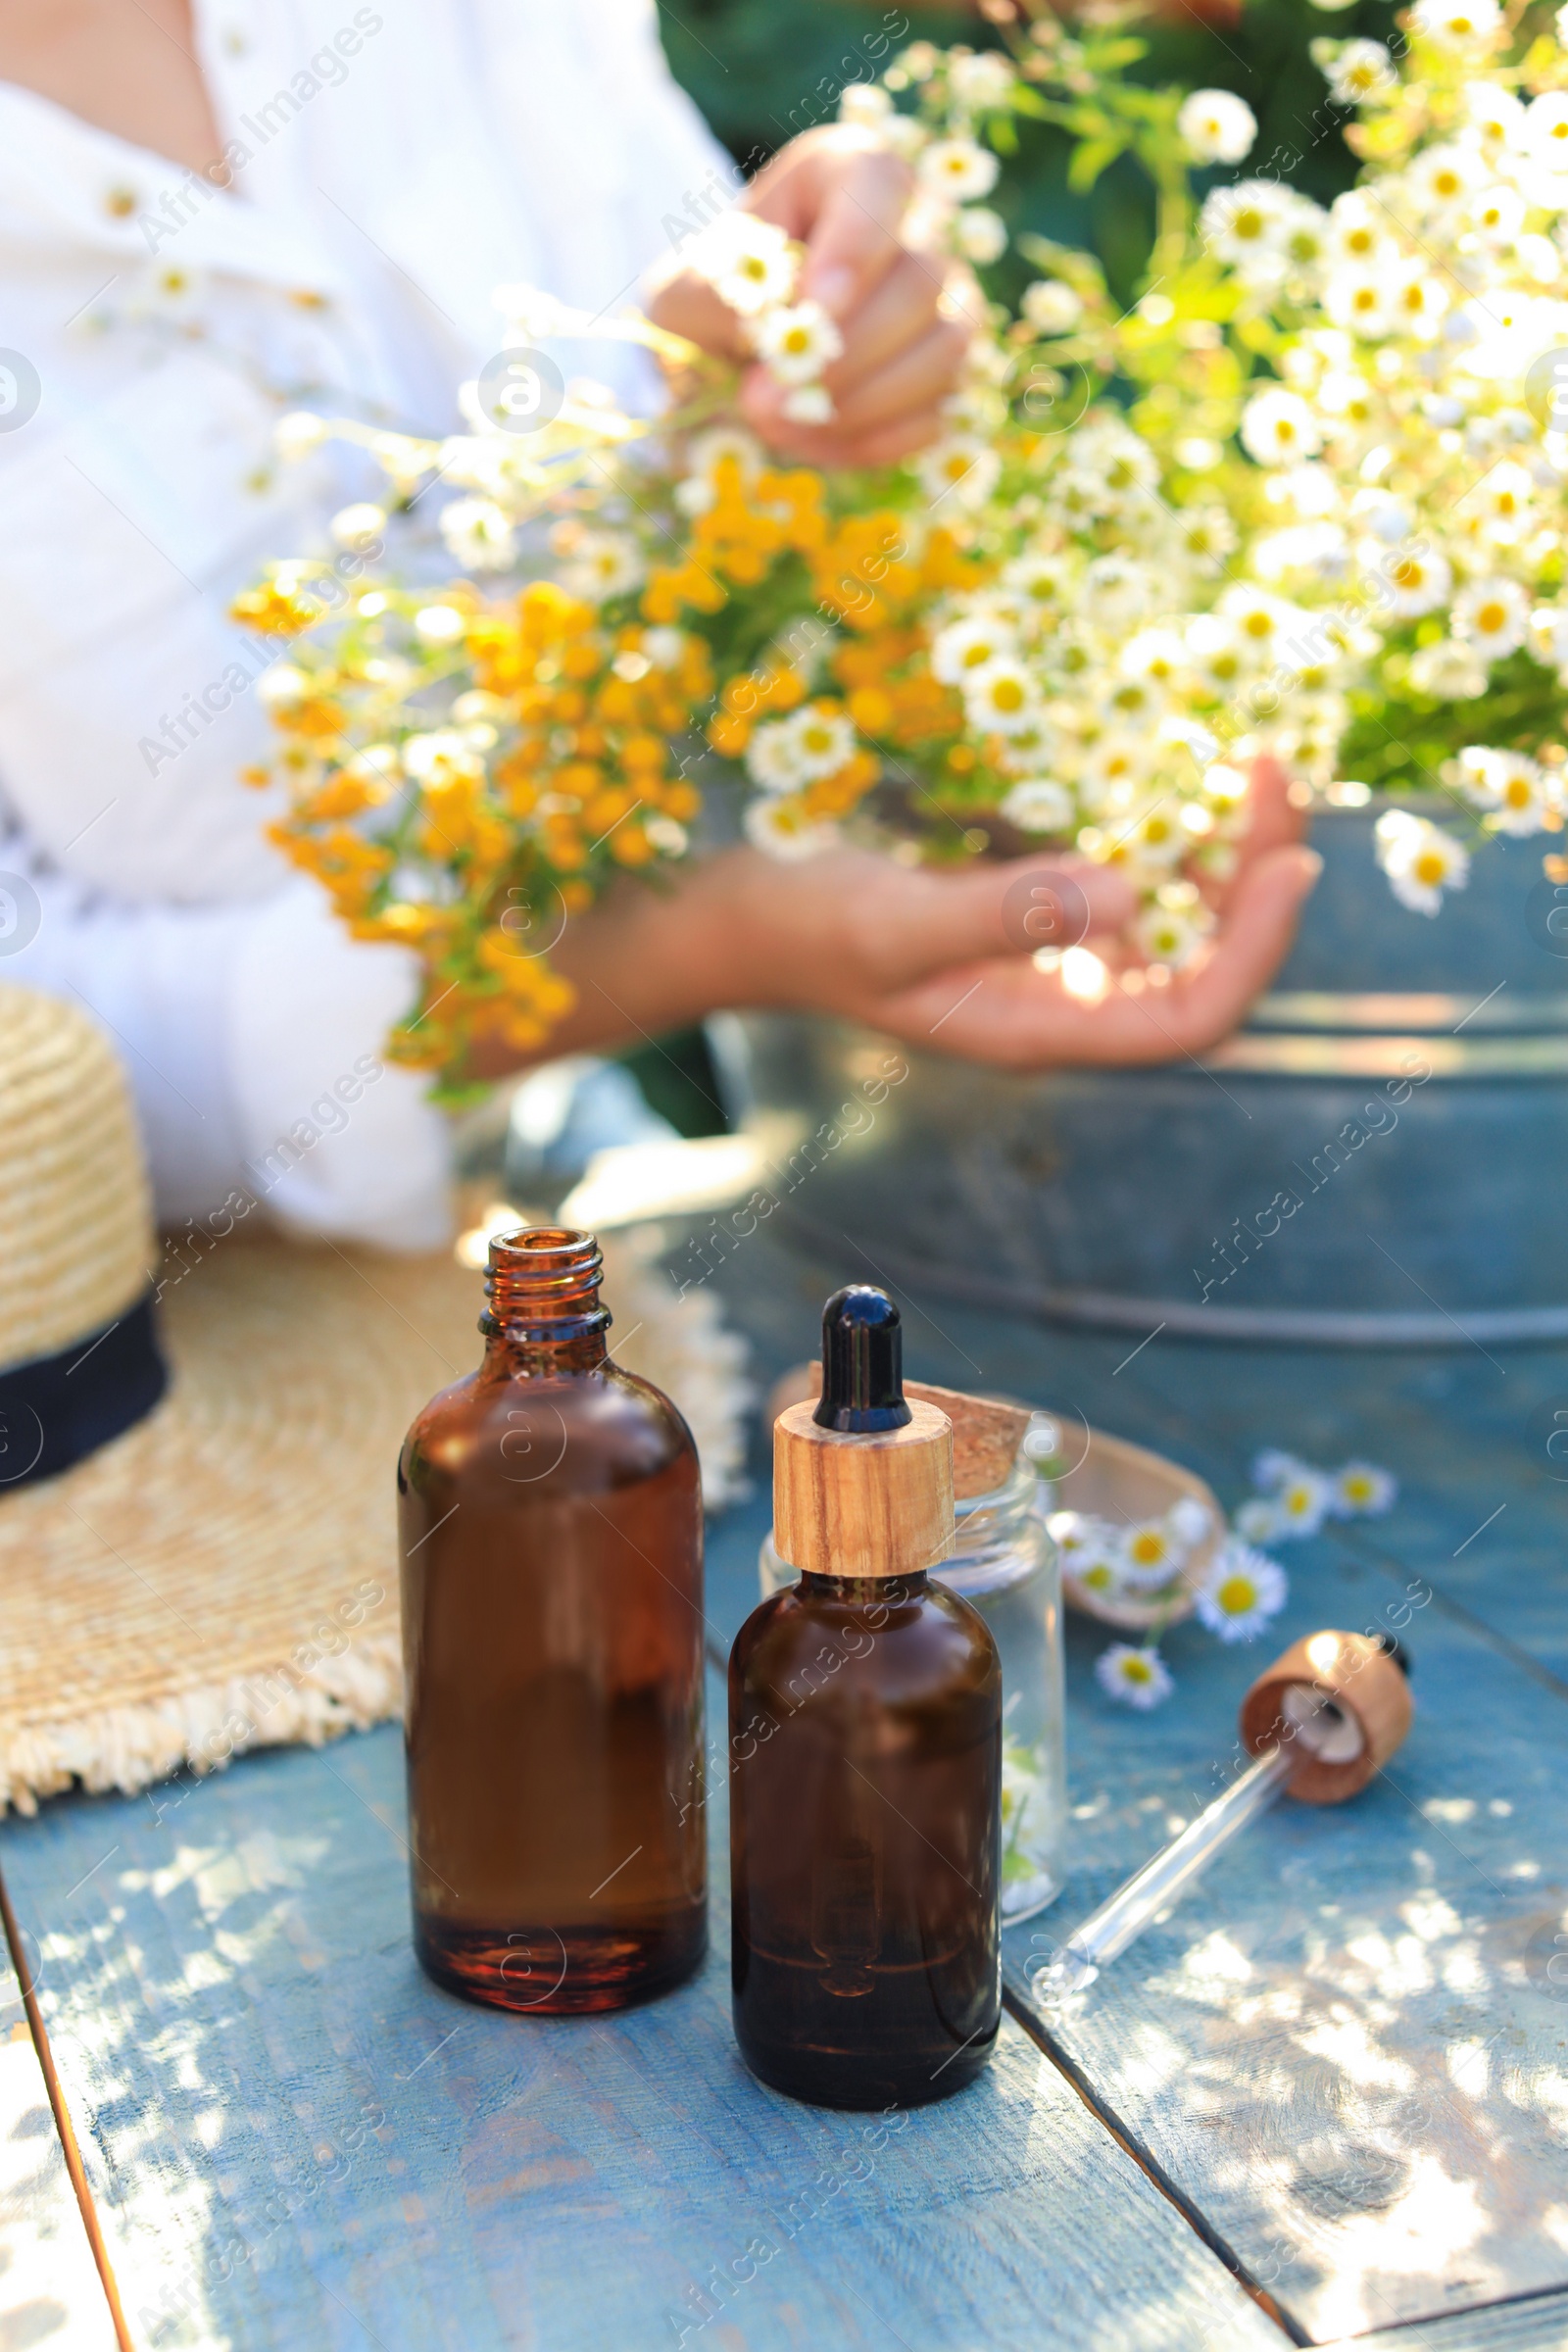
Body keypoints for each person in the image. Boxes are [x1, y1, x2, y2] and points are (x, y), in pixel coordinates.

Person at [0, 0, 1318, 1247]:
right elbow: (35, 1066)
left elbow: (707, 421)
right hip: (151, 1354)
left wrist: (822, 364)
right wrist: (698, 946)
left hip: (576, 1226)